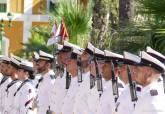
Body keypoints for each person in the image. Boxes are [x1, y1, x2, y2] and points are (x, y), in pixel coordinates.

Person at [61, 42, 82, 114]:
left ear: (78, 62)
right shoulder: (73, 79)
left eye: (69, 60)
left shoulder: (82, 82)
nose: (67, 63)